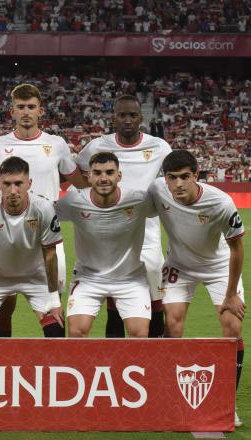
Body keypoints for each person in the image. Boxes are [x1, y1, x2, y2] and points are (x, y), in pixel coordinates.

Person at [0, 83, 88, 337]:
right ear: (11, 111)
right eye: (20, 107)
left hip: (47, 236)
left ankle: (55, 369)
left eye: (31, 107)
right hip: (6, 235)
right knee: (3, 308)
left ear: (40, 111)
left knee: (54, 311)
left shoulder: (56, 144)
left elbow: (79, 182)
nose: (26, 112)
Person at [148, 150, 246, 427]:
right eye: (172, 178)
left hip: (219, 268)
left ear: (196, 175)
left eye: (185, 177)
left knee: (232, 328)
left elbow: (237, 248)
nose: (178, 184)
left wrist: (230, 294)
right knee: (173, 327)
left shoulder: (221, 202)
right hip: (179, 267)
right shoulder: (158, 190)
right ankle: (168, 397)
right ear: (164, 179)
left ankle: (228, 402)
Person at [75, 94, 171, 338]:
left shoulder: (159, 147)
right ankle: (115, 363)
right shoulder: (97, 146)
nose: (127, 120)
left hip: (147, 231)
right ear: (113, 118)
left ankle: (155, 356)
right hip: (109, 232)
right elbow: (77, 175)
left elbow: (171, 180)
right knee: (114, 298)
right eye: (122, 115)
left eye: (132, 115)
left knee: (155, 292)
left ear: (141, 118)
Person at [56, 152, 154, 338]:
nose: (104, 178)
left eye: (109, 172)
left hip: (130, 278)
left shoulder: (140, 200)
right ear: (89, 176)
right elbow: (45, 216)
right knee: (76, 333)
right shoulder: (73, 201)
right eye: (98, 173)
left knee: (140, 335)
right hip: (88, 278)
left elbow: (169, 209)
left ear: (119, 175)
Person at [0, 156, 64, 337]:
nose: (13, 190)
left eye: (19, 183)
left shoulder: (44, 208)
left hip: (35, 275)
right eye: (7, 184)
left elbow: (50, 254)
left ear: (29, 183)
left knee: (56, 327)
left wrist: (53, 299)